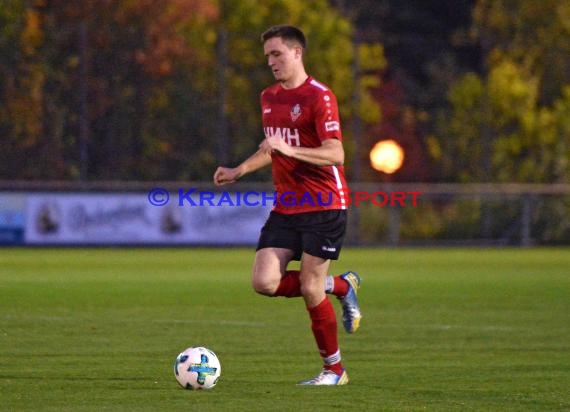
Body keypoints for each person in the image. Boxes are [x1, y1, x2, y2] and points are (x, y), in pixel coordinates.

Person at [213, 25, 361, 386]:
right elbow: (272, 148)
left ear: (297, 53)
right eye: (267, 56)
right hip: (288, 204)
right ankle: (340, 286)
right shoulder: (268, 97)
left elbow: (335, 153)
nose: (271, 62)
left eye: (277, 54)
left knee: (311, 287)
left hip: (325, 203)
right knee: (264, 281)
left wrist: (289, 150)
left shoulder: (320, 97)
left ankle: (334, 371)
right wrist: (240, 170)